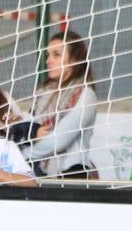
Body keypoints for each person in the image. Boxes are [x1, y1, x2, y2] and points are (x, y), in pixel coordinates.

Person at [26, 29, 99, 178]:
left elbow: (58, 142)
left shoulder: (86, 95)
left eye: (56, 55)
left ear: (74, 60)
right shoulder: (42, 94)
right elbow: (29, 129)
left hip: (72, 174)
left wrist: (20, 154)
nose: (48, 61)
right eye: (48, 55)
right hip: (39, 172)